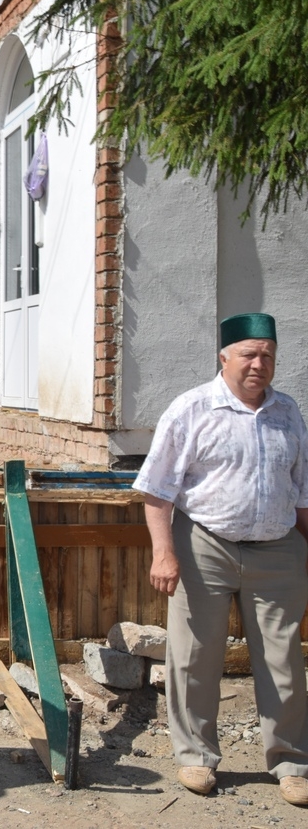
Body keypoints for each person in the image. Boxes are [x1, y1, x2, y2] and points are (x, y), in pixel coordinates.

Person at [134, 312, 308, 806]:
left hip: (277, 549)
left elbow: (302, 491)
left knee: (284, 660)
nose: (259, 364)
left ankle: (292, 762)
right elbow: (157, 490)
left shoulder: (288, 412)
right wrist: (164, 553)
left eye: (268, 355)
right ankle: (196, 756)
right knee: (195, 655)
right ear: (224, 357)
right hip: (203, 545)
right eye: (249, 354)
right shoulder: (192, 409)